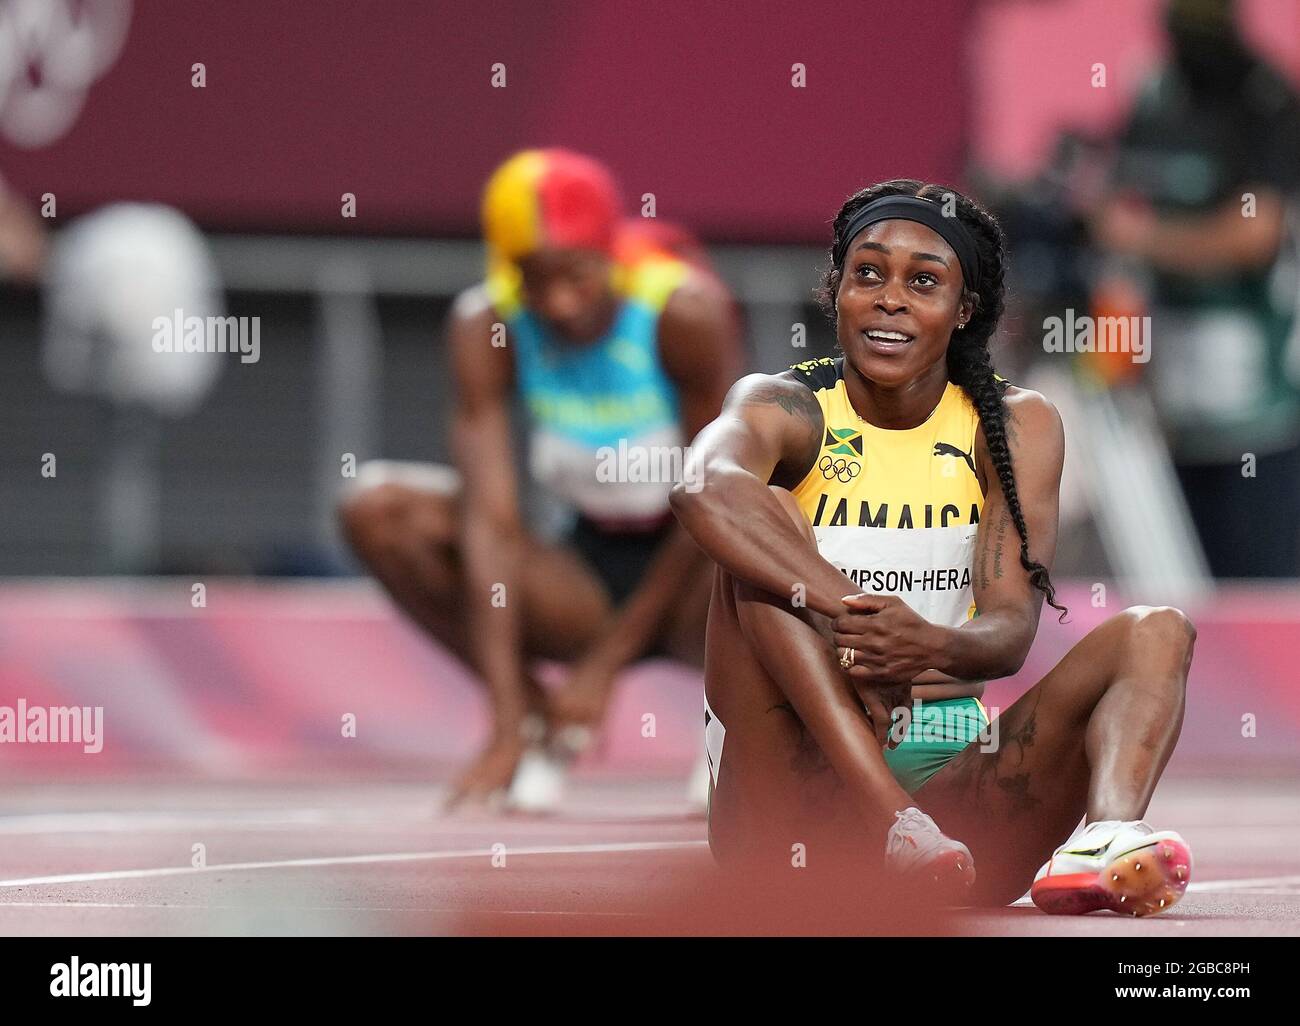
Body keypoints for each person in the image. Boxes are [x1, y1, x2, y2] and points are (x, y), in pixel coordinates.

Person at [671, 180, 1198, 915]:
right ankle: (895, 821)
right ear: (837, 292)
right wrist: (853, 622)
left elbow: (1011, 633)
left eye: (923, 282)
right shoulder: (783, 406)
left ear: (964, 311)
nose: (891, 298)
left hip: (958, 808)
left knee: (1157, 631)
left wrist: (922, 645)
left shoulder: (1013, 425)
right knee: (763, 529)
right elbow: (701, 488)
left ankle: (1106, 836)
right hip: (788, 816)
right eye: (868, 274)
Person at [340, 149, 741, 809]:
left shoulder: (682, 313)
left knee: (787, 535)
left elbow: (722, 501)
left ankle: (751, 728)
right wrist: (503, 719)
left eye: (577, 276)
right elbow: (490, 524)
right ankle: (531, 719)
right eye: (534, 281)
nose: (558, 303)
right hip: (582, 571)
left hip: (700, 576)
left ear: (610, 252)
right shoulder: (487, 325)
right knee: (376, 508)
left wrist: (602, 669)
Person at [1095, 0, 1300, 577]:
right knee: (1178, 599)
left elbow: (1253, 234)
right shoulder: (1157, 94)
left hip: (1261, 417)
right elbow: (1116, 202)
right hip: (1169, 414)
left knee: (1258, 595)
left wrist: (1145, 238)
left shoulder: (1264, 98)